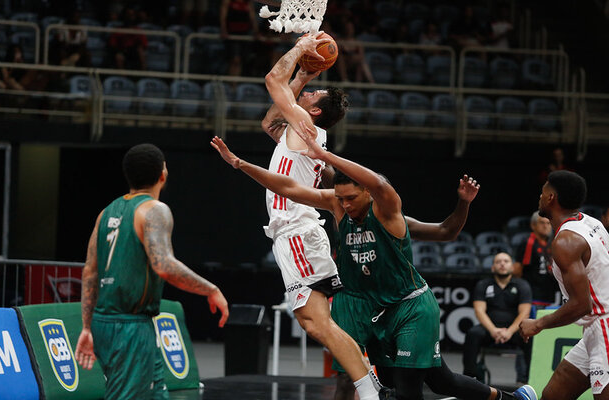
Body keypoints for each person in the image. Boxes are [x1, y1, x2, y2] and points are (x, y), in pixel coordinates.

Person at [211, 133, 537, 400]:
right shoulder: (339, 206)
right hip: (366, 307)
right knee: (367, 381)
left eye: (352, 198)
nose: (346, 204)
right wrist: (240, 164)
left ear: (367, 192)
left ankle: (509, 399)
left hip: (408, 307)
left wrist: (463, 203)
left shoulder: (391, 214)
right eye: (341, 198)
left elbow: (447, 231)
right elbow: (288, 187)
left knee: (423, 387)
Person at [256, 31, 387, 400]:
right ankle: (368, 379)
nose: (308, 94)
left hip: (297, 231)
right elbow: (269, 124)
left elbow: (271, 81)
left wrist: (300, 48)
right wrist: (303, 78)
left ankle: (367, 384)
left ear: (313, 112)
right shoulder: (300, 130)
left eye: (313, 95)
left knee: (317, 323)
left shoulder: (307, 126)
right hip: (296, 233)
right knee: (315, 323)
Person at [74, 143, 229, 399]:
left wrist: (88, 328)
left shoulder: (106, 213)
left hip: (105, 322)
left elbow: (90, 272)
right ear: (162, 175)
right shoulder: (154, 210)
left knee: (157, 394)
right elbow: (164, 265)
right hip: (130, 326)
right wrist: (211, 289)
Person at [520, 170, 609, 399]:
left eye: (543, 193)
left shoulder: (566, 241)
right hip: (594, 328)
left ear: (551, 198)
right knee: (553, 395)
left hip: (604, 325)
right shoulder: (592, 223)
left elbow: (582, 305)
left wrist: (538, 324)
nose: (540, 197)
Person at [463, 252, 533, 384]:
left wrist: (510, 331)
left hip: (514, 330)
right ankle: (469, 378)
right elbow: (479, 311)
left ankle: (530, 378)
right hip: (489, 329)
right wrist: (493, 330)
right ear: (492, 267)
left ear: (512, 267)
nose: (502, 264)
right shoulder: (483, 284)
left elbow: (524, 313)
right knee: (473, 334)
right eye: (498, 262)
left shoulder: (522, 285)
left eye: (506, 261)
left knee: (532, 337)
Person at [513, 211, 560, 306]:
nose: (546, 226)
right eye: (542, 222)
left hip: (550, 295)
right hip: (533, 296)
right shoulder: (528, 243)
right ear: (533, 225)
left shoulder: (552, 244)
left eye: (548, 223)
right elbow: (518, 270)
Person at [219, 0, 259, 77]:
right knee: (235, 59)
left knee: (240, 60)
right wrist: (223, 30)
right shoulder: (228, 1)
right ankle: (232, 83)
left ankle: (235, 83)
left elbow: (252, 17)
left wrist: (256, 31)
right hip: (232, 33)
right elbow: (223, 16)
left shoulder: (248, 2)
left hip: (244, 33)